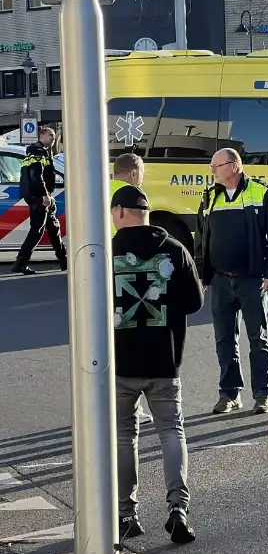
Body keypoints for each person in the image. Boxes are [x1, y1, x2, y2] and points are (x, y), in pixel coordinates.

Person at [110, 185, 202, 545]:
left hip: (119, 361)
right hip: (165, 359)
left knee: (123, 435)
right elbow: (194, 302)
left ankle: (126, 513)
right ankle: (178, 509)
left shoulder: (106, 251)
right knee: (171, 431)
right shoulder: (175, 250)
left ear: (119, 212)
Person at [195, 148, 268, 415]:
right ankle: (229, 394)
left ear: (234, 166)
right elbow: (201, 238)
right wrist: (204, 274)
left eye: (216, 166)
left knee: (258, 338)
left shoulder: (262, 192)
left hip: (253, 280)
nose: (212, 171)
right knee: (224, 339)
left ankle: (262, 394)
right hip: (221, 280)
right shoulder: (210, 197)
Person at [111, 152, 153, 425]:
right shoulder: (129, 194)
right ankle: (131, 407)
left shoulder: (103, 189)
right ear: (134, 173)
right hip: (127, 268)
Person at [11, 127, 67, 275]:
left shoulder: (42, 151)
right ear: (42, 136)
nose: (53, 138)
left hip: (43, 196)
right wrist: (44, 195)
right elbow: (36, 175)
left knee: (53, 228)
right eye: (51, 135)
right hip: (39, 197)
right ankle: (20, 263)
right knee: (37, 229)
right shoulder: (37, 151)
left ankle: (64, 261)